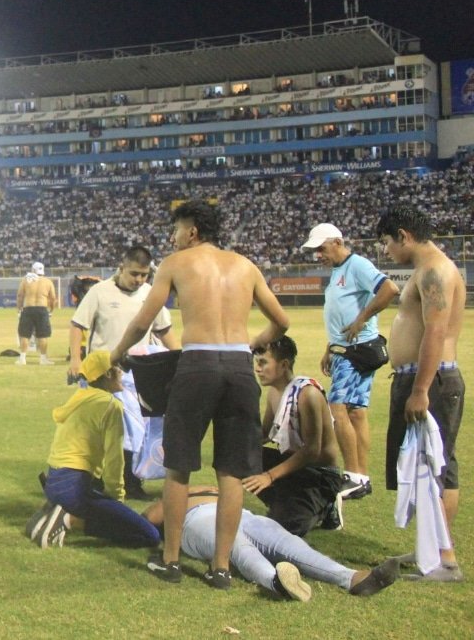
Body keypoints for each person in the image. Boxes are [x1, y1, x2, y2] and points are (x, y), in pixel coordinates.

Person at [113, 200, 289, 589]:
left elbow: (144, 321)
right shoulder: (246, 266)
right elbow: (282, 320)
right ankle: (221, 568)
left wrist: (114, 354)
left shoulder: (177, 263)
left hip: (197, 365)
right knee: (231, 472)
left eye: (176, 230)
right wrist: (254, 343)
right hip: (240, 369)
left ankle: (171, 561)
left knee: (179, 466)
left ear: (191, 231)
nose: (173, 238)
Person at [376, 204, 466, 581]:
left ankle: (444, 560)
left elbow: (435, 332)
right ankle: (430, 549)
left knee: (435, 468)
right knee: (426, 466)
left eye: (386, 242)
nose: (385, 251)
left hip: (433, 382)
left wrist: (421, 389)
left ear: (404, 235)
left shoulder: (434, 271)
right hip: (419, 378)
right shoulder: (426, 269)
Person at [143, 486, 401, 601]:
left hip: (243, 515)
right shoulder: (180, 495)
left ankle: (352, 577)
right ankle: (276, 582)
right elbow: (148, 522)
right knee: (238, 547)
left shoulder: (191, 488)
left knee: (290, 544)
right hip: (197, 520)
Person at [68, 246, 180, 499]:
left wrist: (181, 358)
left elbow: (163, 330)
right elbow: (77, 326)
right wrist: (76, 359)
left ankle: (131, 483)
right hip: (104, 374)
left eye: (144, 275)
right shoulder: (99, 292)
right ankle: (93, 480)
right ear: (121, 268)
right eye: (134, 274)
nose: (139, 280)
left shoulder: (151, 293)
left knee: (138, 431)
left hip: (141, 373)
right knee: (102, 430)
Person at [301, 223, 399, 500]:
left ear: (338, 242)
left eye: (321, 248)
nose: (318, 255)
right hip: (347, 348)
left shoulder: (356, 265)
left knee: (337, 409)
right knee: (356, 412)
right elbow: (339, 315)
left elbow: (389, 289)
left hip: (356, 350)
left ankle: (353, 475)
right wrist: (329, 347)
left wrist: (362, 319)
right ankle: (361, 477)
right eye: (315, 251)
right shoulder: (338, 271)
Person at [25, 350, 161, 549]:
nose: (122, 373)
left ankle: (54, 512)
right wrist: (118, 498)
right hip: (75, 487)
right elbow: (115, 461)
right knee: (149, 535)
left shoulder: (80, 396)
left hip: (55, 483)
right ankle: (68, 520)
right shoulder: (110, 405)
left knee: (110, 513)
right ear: (107, 374)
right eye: (117, 369)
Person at [241, 337, 344, 535]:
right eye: (257, 363)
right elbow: (264, 434)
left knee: (289, 526)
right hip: (294, 466)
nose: (257, 369)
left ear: (284, 364)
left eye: (263, 363)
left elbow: (312, 451)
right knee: (239, 453)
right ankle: (285, 503)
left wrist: (269, 476)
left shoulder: (308, 394)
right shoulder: (274, 391)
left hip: (319, 474)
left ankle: (325, 506)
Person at [16, 262, 57, 365]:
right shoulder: (48, 282)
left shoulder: (26, 280)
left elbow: (20, 296)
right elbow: (53, 298)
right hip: (42, 309)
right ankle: (43, 359)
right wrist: (51, 310)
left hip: (28, 308)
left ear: (33, 270)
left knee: (25, 335)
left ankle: (22, 358)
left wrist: (19, 309)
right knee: (43, 335)